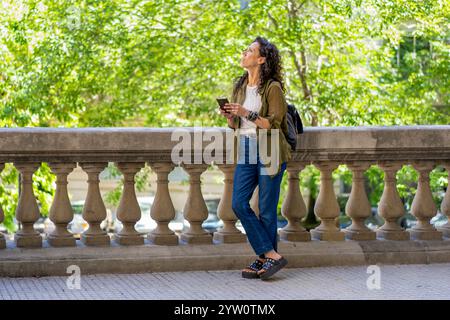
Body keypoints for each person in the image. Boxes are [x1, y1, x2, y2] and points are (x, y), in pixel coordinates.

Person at [218, 36, 292, 280]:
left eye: (249, 51)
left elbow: (273, 124)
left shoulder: (272, 88)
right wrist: (231, 117)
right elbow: (238, 125)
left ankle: (264, 260)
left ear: (261, 59)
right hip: (247, 148)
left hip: (270, 148)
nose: (244, 53)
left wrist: (245, 112)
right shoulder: (241, 86)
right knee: (238, 203)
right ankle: (271, 254)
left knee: (267, 211)